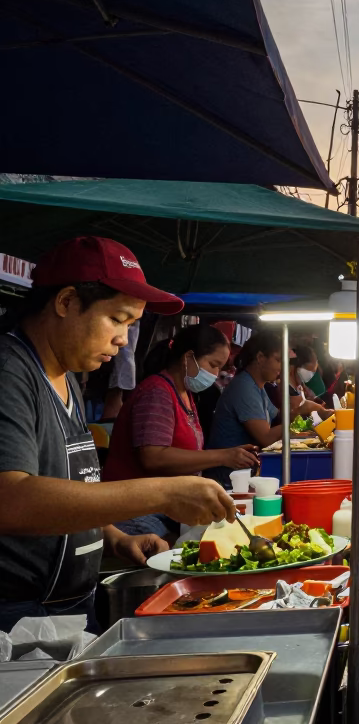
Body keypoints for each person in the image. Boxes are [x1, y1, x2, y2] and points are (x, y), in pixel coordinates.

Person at [0, 237, 235, 632]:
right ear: (66, 302)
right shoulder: (10, 372)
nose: (124, 339)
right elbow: (11, 499)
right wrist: (164, 492)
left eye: (130, 325)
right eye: (117, 319)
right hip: (16, 621)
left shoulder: (65, 376)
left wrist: (110, 536)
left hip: (69, 606)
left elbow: (64, 485)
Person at [102, 324, 260, 540]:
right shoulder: (156, 393)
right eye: (213, 365)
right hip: (137, 511)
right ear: (188, 357)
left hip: (167, 506)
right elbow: (153, 457)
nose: (215, 374)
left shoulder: (184, 394)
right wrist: (223, 456)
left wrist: (231, 454)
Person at [205, 331, 290, 487]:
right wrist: (298, 423)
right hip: (228, 478)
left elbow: (278, 415)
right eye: (278, 360)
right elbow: (265, 437)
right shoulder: (244, 387)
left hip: (242, 473)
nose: (281, 367)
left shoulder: (257, 386)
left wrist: (301, 413)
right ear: (260, 358)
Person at [265, 344, 328, 427]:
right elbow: (286, 416)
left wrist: (321, 409)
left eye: (313, 372)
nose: (311, 375)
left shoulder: (299, 386)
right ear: (293, 367)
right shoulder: (279, 387)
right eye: (309, 371)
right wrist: (305, 409)